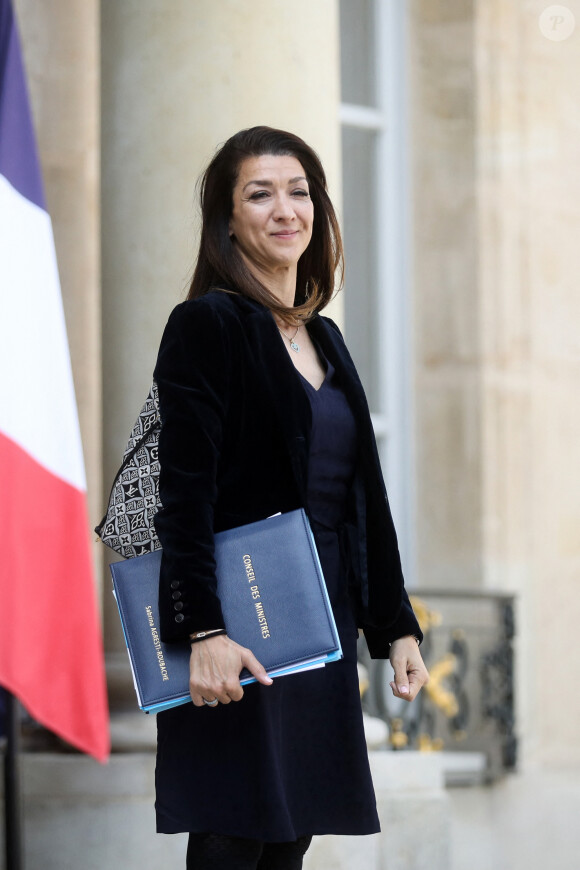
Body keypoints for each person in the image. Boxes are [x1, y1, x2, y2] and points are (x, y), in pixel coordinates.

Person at [153, 126, 429, 870]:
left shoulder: (325, 338)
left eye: (300, 191)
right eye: (260, 193)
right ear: (228, 218)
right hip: (242, 620)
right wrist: (201, 632)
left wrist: (394, 626)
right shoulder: (208, 324)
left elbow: (361, 497)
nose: (286, 209)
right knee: (232, 831)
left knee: (290, 836)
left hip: (322, 622)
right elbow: (183, 497)